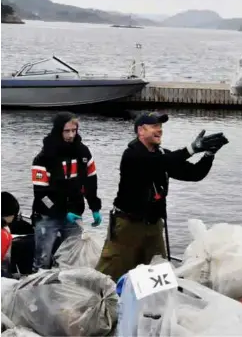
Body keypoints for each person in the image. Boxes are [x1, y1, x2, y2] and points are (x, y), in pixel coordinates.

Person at [95, 112, 228, 282]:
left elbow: (194, 174)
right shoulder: (132, 155)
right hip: (127, 226)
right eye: (154, 126)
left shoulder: (163, 154)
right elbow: (157, 164)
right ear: (140, 131)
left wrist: (209, 154)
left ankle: (151, 307)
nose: (159, 130)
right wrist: (192, 148)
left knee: (157, 276)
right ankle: (97, 304)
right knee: (110, 275)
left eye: (160, 127)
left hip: (154, 226)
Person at [31, 112, 102, 271]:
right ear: (58, 131)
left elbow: (91, 182)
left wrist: (95, 207)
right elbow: (41, 195)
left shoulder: (83, 153)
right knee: (42, 259)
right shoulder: (43, 158)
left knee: (73, 260)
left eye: (74, 130)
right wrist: (62, 211)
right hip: (48, 216)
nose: (71, 135)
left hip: (74, 215)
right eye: (67, 131)